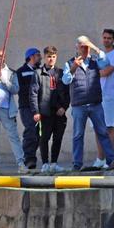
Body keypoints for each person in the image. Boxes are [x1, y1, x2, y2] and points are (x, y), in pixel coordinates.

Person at [62, 36, 114, 171]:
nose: (84, 49)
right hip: (79, 105)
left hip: (95, 104)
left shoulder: (94, 61)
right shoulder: (70, 63)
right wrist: (74, 67)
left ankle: (112, 160)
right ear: (77, 48)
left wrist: (95, 48)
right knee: (78, 135)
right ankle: (77, 163)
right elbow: (65, 80)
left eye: (86, 47)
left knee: (102, 132)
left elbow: (106, 63)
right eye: (82, 47)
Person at [30, 45, 70, 174]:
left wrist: (64, 107)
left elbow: (68, 92)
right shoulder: (38, 73)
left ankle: (54, 163)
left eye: (53, 57)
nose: (51, 59)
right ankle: (45, 163)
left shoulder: (61, 73)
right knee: (44, 138)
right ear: (45, 57)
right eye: (48, 57)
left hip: (59, 112)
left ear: (56, 57)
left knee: (58, 138)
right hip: (45, 112)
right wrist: (36, 111)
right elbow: (33, 93)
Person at [95, 29, 114, 170]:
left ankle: (109, 158)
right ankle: (100, 158)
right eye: (105, 37)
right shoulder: (99, 56)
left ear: (113, 39)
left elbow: (106, 72)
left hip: (110, 96)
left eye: (109, 38)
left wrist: (94, 72)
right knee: (98, 128)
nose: (106, 40)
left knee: (109, 128)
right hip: (97, 96)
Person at [16, 47, 41, 171]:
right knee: (30, 131)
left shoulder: (40, 71)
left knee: (39, 134)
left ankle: (33, 158)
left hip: (39, 107)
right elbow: (19, 89)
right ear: (30, 57)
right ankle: (29, 159)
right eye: (37, 55)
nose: (40, 57)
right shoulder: (21, 72)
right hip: (26, 107)